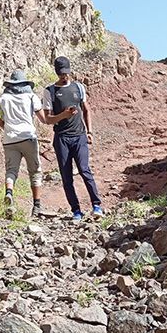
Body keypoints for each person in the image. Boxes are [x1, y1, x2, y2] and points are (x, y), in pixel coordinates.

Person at [42, 56, 104, 221]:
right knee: (66, 175)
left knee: (84, 170)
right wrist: (64, 115)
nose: (64, 76)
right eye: (61, 74)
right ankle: (76, 210)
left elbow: (86, 110)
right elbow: (48, 119)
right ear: (57, 73)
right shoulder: (50, 91)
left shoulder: (79, 87)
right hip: (61, 138)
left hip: (79, 136)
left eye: (66, 73)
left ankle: (96, 205)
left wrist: (89, 132)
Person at [0, 69, 48, 217]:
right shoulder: (31, 96)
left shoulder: (2, 98)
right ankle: (36, 206)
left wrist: (8, 128)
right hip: (28, 137)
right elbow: (42, 117)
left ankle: (9, 193)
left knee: (11, 170)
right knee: (35, 171)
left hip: (9, 139)